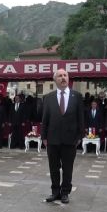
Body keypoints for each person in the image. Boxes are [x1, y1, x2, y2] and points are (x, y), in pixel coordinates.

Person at [41, 69, 84, 203]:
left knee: (67, 168)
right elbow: (45, 118)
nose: (63, 78)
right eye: (60, 76)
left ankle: (65, 192)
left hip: (70, 139)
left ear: (68, 78)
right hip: (52, 139)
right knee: (53, 167)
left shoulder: (76, 96)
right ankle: (55, 192)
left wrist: (79, 136)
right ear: (55, 80)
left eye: (65, 75)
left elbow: (81, 117)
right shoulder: (48, 97)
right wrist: (44, 137)